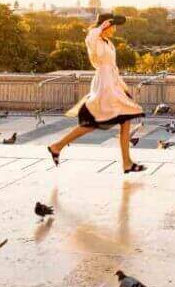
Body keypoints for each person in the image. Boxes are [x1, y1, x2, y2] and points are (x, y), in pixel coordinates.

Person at [47, 13, 146, 173]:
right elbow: (90, 37)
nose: (114, 29)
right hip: (105, 87)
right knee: (93, 123)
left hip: (113, 85)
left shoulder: (108, 43)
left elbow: (113, 67)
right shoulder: (95, 40)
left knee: (123, 120)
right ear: (106, 25)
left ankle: (127, 162)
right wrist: (100, 27)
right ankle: (57, 146)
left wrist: (122, 86)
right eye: (113, 26)